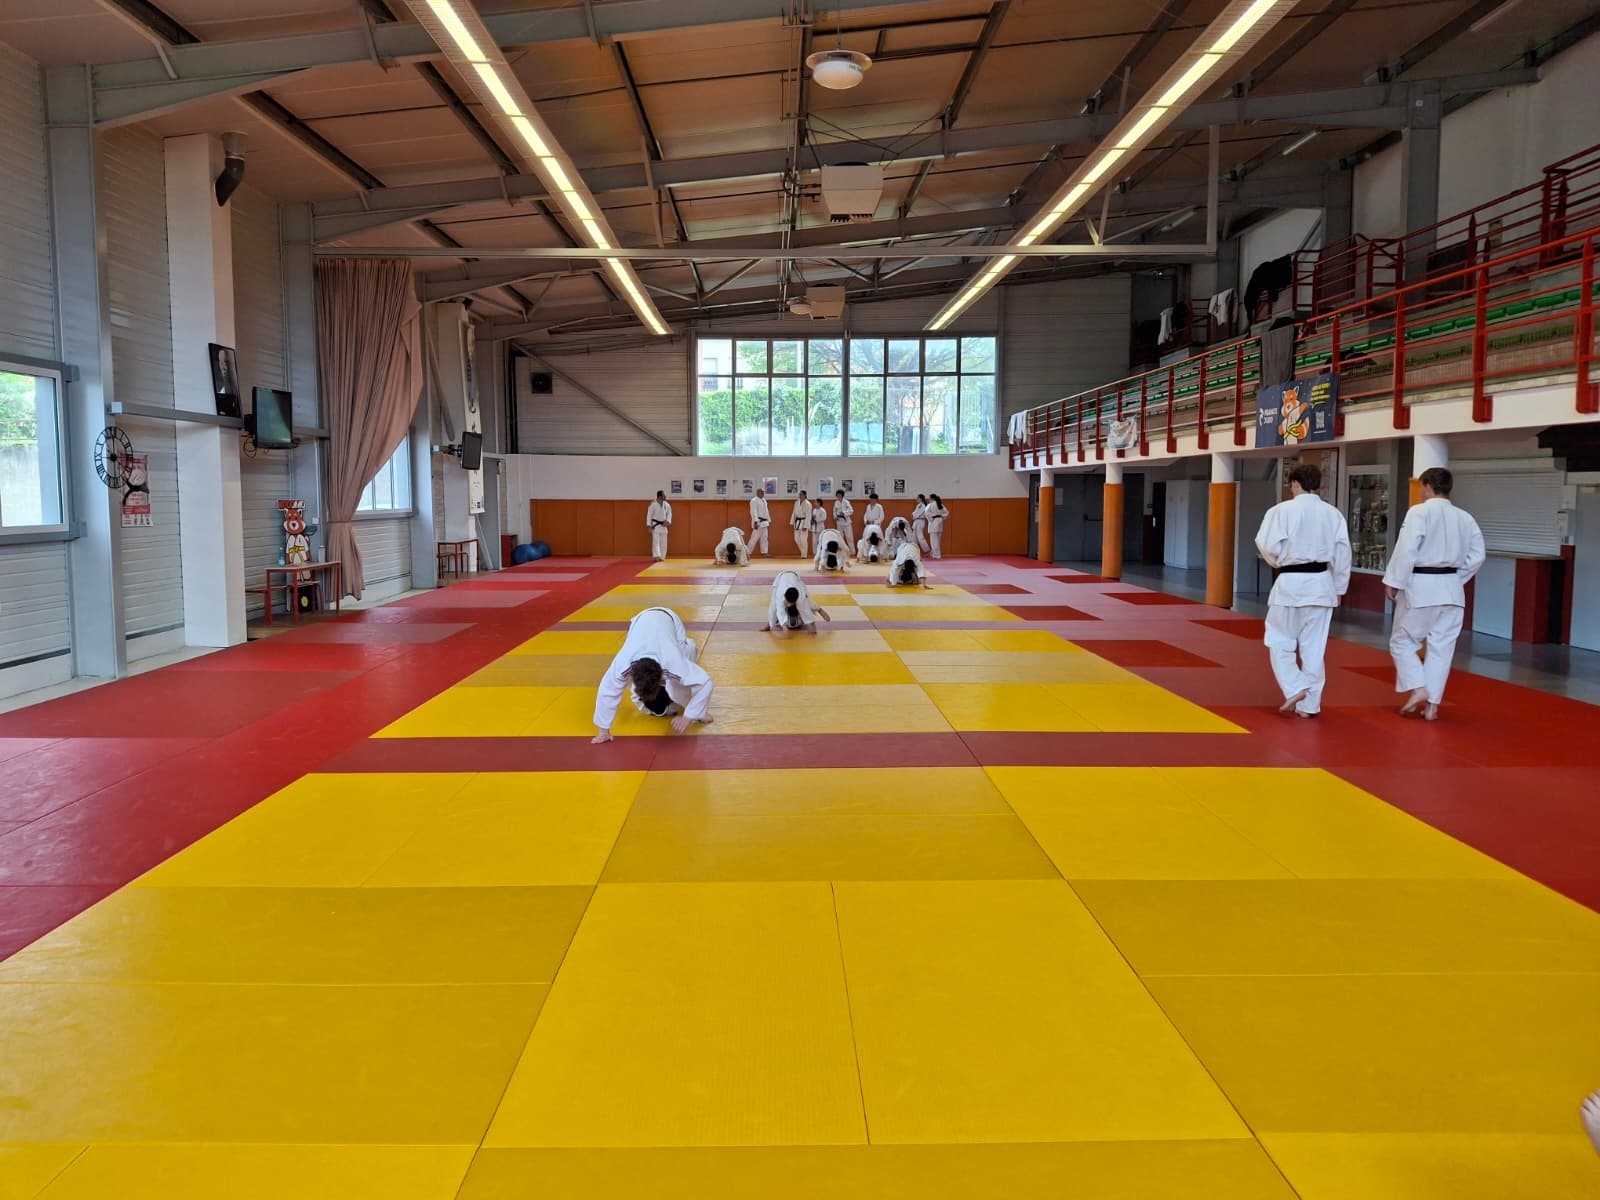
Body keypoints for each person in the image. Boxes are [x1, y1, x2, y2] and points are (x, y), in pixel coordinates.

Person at [1382, 466, 1485, 721]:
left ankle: (1418, 687)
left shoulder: (1419, 512)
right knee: (1442, 648)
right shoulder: (1465, 517)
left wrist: (1394, 581)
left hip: (1422, 587)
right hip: (1452, 590)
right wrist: (1456, 578)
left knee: (1402, 642)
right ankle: (1432, 706)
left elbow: (1407, 549)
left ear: (1427, 486)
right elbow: (1478, 555)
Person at [1253, 463, 1352, 718]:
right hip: (1322, 585)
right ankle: (1309, 705)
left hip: (1291, 584)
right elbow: (1343, 554)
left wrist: (1277, 561)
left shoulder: (1281, 511)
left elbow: (1266, 544)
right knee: (1314, 649)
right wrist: (1339, 587)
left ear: (1295, 483)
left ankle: (1295, 687)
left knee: (1279, 639)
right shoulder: (1333, 514)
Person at [592, 607, 714, 743]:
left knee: (679, 679)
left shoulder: (673, 661)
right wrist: (603, 731)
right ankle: (689, 708)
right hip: (640, 620)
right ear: (631, 675)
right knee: (626, 689)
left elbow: (705, 682)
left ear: (662, 675)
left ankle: (699, 712)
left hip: (670, 619)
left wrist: (689, 716)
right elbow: (607, 692)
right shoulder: (622, 664)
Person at [765, 569, 832, 636]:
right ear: (784, 596)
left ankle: (819, 609)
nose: (788, 605)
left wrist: (813, 628)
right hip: (781, 579)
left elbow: (806, 611)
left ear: (796, 599)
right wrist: (784, 627)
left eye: (791, 603)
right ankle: (768, 625)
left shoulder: (800, 596)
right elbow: (780, 612)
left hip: (796, 579)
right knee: (773, 606)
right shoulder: (780, 595)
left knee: (806, 602)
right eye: (788, 602)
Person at [647, 490, 672, 561]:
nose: (665, 496)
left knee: (664, 542)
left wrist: (668, 521)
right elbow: (649, 515)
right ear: (660, 496)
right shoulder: (653, 505)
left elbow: (669, 513)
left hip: (664, 525)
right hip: (656, 526)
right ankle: (657, 556)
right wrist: (649, 526)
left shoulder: (667, 505)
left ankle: (662, 556)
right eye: (664, 495)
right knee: (656, 542)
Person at [749, 489, 772, 557]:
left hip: (764, 522)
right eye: (761, 492)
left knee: (764, 538)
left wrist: (768, 520)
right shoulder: (754, 500)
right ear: (757, 492)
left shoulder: (764, 500)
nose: (762, 493)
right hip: (758, 522)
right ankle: (748, 552)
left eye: (763, 492)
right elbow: (753, 511)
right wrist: (755, 521)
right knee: (754, 538)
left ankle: (764, 552)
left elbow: (766, 511)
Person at [926, 494, 950, 559]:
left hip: (933, 522)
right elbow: (947, 512)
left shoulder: (930, 505)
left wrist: (931, 519)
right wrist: (942, 517)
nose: (928, 500)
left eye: (929, 498)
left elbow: (926, 513)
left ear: (932, 498)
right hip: (940, 521)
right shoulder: (940, 504)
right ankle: (936, 554)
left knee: (934, 540)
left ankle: (936, 555)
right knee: (938, 540)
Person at [791, 490, 813, 558]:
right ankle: (802, 552)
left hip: (804, 522)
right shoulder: (796, 502)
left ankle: (804, 555)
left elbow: (809, 515)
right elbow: (794, 513)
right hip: (797, 522)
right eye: (799, 494)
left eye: (801, 494)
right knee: (796, 539)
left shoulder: (808, 504)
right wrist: (792, 522)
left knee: (803, 539)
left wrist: (806, 526)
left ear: (805, 495)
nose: (799, 496)